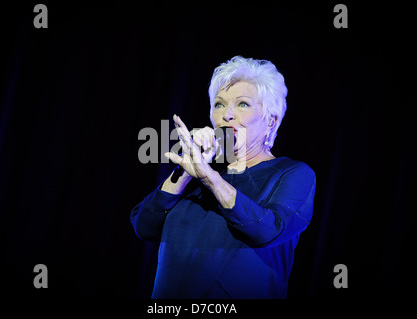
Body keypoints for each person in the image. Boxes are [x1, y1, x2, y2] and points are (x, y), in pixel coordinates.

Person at [130, 56, 316, 299]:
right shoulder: (198, 173)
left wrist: (209, 178)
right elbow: (144, 226)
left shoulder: (291, 173)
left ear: (271, 121)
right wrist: (186, 171)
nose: (227, 115)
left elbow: (267, 230)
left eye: (243, 104)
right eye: (219, 104)